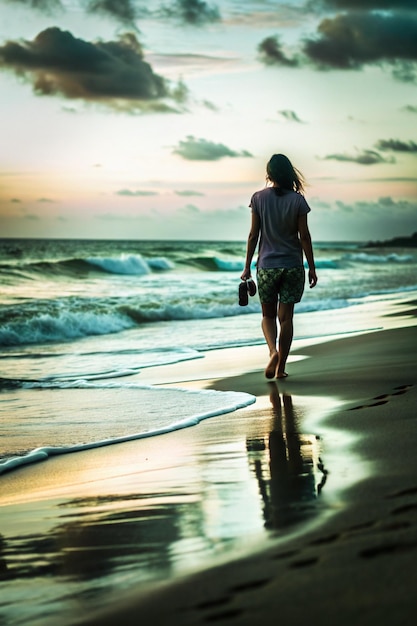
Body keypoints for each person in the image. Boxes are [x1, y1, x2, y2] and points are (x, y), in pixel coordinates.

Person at [241, 153, 317, 379]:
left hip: (266, 267)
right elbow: (304, 236)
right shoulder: (298, 201)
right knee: (286, 319)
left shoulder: (258, 198)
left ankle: (272, 352)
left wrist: (246, 266)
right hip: (292, 266)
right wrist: (311, 266)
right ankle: (281, 367)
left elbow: (254, 235)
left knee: (267, 316)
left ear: (269, 174)